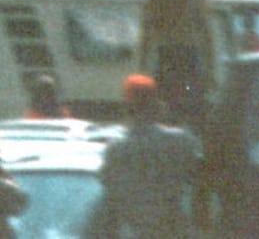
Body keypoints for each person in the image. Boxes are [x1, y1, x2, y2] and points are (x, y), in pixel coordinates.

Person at [84, 74, 203, 238]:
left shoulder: (117, 151)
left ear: (126, 109)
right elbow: (200, 180)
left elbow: (109, 197)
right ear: (158, 106)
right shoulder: (182, 141)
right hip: (176, 230)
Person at [138, 0, 216, 131]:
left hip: (189, 61)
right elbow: (146, 38)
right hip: (168, 60)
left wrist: (210, 71)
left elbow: (207, 37)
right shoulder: (155, 0)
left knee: (193, 109)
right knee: (166, 109)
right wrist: (142, 72)